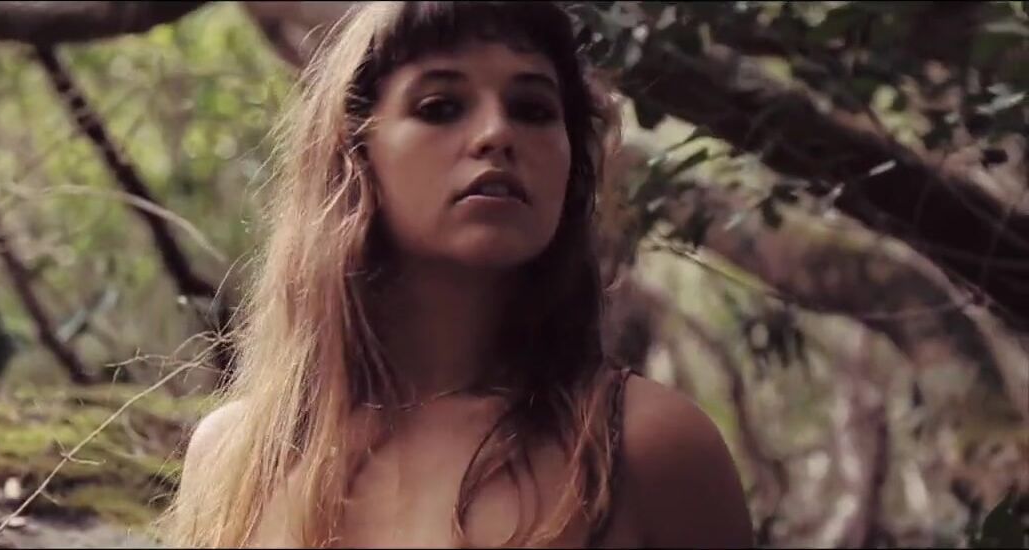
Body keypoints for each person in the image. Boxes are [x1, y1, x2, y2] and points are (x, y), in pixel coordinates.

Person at [157, 2, 753, 547]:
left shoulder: (648, 449)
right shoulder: (239, 456)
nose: (497, 134)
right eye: (440, 107)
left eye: (533, 110)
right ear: (357, 154)